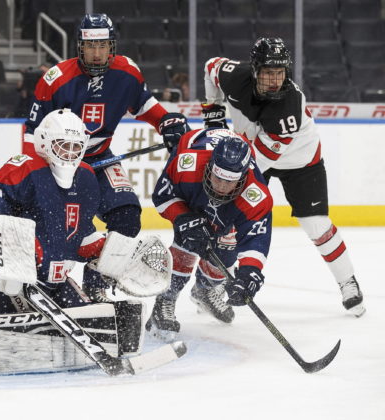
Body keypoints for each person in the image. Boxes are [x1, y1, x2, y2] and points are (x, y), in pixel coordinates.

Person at [0, 109, 172, 377]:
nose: (70, 153)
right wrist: (4, 242)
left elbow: (80, 235)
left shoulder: (85, 178)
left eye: (77, 147)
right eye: (63, 145)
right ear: (44, 143)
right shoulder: (24, 167)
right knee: (29, 325)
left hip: (51, 282)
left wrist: (114, 252)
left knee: (92, 321)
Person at [23, 13, 189, 303]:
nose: (97, 53)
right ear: (80, 47)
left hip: (100, 158)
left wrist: (166, 123)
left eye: (103, 46)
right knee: (63, 226)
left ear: (112, 46)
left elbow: (145, 106)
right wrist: (36, 177)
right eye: (90, 46)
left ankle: (95, 285)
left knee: (126, 217)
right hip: (58, 163)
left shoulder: (128, 73)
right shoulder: (56, 80)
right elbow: (31, 134)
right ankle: (45, 282)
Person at [202, 37, 365, 317]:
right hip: (254, 148)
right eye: (268, 73)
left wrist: (229, 155)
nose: (275, 80)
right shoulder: (233, 76)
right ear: (254, 70)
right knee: (224, 217)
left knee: (316, 225)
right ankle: (208, 287)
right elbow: (210, 68)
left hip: (300, 160)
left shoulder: (289, 106)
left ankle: (347, 281)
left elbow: (258, 157)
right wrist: (213, 114)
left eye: (280, 73)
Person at [147, 128, 273, 340]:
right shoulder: (187, 165)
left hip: (228, 211)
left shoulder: (255, 194)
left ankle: (204, 290)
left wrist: (249, 273)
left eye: (229, 181)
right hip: (193, 194)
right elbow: (162, 196)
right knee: (187, 240)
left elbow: (255, 238)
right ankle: (166, 299)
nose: (222, 187)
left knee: (226, 244)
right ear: (210, 166)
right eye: (218, 177)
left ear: (243, 177)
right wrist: (183, 218)